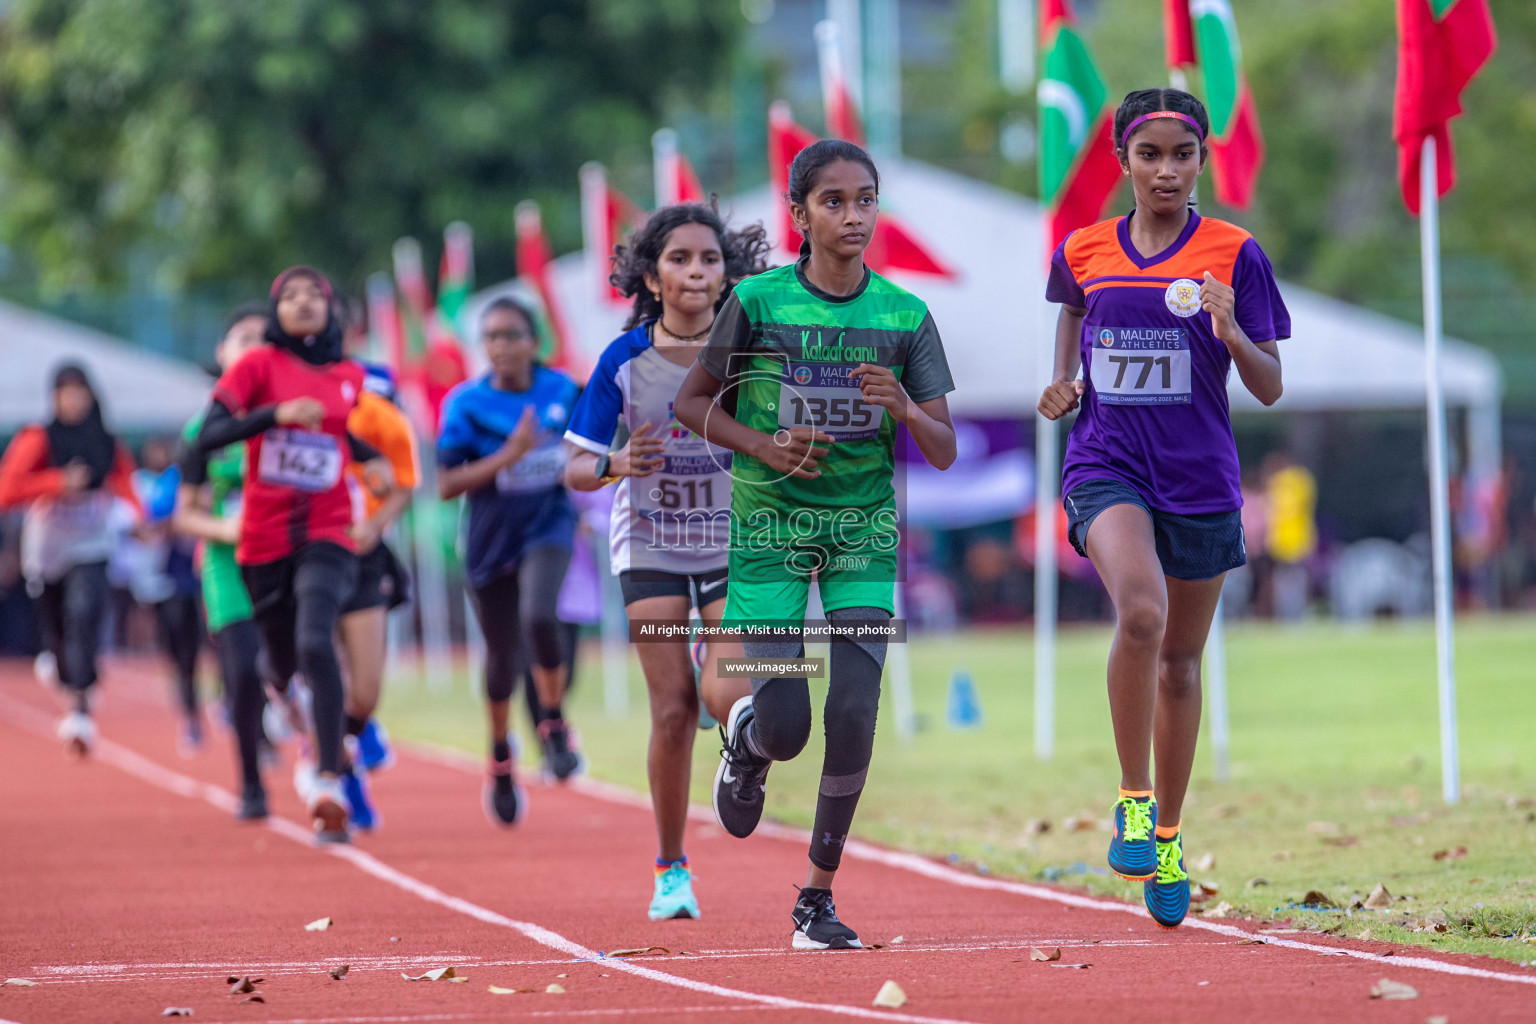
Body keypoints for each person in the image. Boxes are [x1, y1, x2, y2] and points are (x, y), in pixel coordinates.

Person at [674, 140, 957, 949]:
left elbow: (944, 448)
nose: (854, 216)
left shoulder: (905, 316)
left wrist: (904, 405)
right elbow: (694, 404)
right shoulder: (758, 303)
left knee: (855, 709)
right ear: (798, 215)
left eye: (865, 199)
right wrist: (761, 446)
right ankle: (748, 743)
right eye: (833, 202)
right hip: (770, 529)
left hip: (862, 531)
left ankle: (816, 899)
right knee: (791, 723)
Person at [1036, 88, 1287, 929]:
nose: (1167, 170)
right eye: (1151, 155)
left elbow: (1270, 383)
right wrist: (1068, 378)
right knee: (1139, 615)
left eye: (1183, 154)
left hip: (1201, 479)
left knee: (1181, 663)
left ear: (1203, 159)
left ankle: (1172, 839)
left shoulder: (1234, 252)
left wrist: (1232, 331)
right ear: (1124, 162)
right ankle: (1133, 800)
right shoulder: (1082, 247)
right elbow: (1073, 308)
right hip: (1107, 464)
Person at [564, 202, 770, 921]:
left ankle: (743, 740)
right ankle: (671, 868)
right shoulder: (622, 360)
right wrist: (618, 461)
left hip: (728, 539)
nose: (696, 271)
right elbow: (575, 468)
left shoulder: (747, 350)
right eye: (680, 259)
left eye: (709, 259)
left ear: (727, 272)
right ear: (652, 277)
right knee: (673, 708)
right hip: (649, 546)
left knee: (728, 680)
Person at [188, 267, 394, 842]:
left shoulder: (349, 374)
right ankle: (283, 692)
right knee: (279, 661)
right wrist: (273, 416)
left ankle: (328, 779)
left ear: (331, 311)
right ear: (276, 311)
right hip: (262, 539)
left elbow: (331, 431)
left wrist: (368, 455)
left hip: (327, 530)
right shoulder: (257, 367)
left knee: (314, 641)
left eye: (315, 296)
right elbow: (207, 436)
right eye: (290, 297)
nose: (303, 304)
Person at [437, 296, 581, 827]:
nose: (500, 346)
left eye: (511, 335)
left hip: (549, 525)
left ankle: (554, 723)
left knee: (540, 617)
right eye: (491, 337)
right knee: (501, 658)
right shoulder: (465, 404)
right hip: (489, 540)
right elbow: (447, 484)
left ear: (533, 341)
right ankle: (499, 755)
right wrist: (508, 456)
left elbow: (592, 444)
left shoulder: (564, 390)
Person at [0, 364, 141, 756]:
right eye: (66, 394)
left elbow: (126, 481)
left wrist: (139, 517)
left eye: (81, 393)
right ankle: (65, 671)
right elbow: (7, 490)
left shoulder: (107, 441)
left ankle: (80, 711)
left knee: (86, 611)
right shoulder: (38, 438)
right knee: (59, 629)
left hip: (93, 542)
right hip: (48, 548)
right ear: (54, 399)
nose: (74, 401)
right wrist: (58, 482)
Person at [173, 303, 273, 819]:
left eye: (264, 337)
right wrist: (225, 529)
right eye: (243, 338)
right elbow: (183, 515)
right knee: (241, 672)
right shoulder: (200, 432)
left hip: (286, 558)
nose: (254, 346)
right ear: (223, 353)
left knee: (292, 658)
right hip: (227, 565)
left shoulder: (292, 418)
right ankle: (252, 781)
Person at [336, 365, 419, 829]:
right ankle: (340, 777)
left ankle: (357, 729)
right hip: (306, 551)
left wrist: (375, 518)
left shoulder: (382, 407)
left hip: (365, 553)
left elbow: (404, 480)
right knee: (324, 672)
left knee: (363, 689)